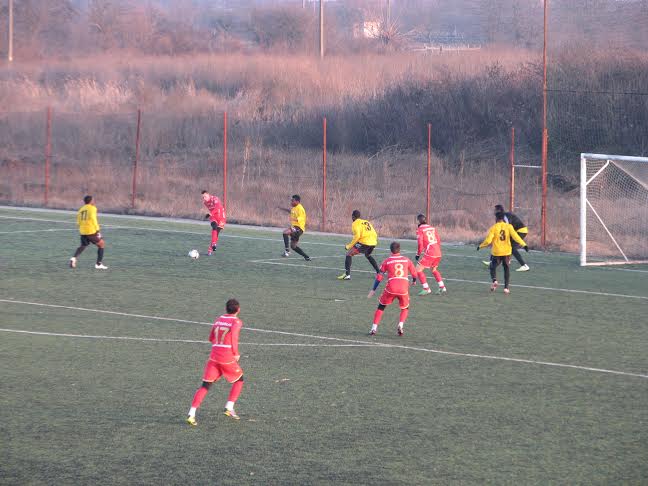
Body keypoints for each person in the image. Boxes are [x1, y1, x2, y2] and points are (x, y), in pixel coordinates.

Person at [187, 299, 245, 425]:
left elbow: (210, 338)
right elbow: (234, 337)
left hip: (214, 356)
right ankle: (229, 407)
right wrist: (236, 353)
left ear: (226, 308)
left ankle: (191, 414)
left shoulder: (219, 319)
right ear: (238, 310)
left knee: (205, 385)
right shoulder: (236, 321)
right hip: (226, 356)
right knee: (239, 380)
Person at [367, 241, 417, 336]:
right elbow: (414, 273)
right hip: (403, 288)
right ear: (399, 250)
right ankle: (400, 325)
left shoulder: (387, 261)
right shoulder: (407, 260)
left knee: (381, 307)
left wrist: (373, 289)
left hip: (391, 287)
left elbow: (379, 277)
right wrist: (414, 280)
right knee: (405, 308)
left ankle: (374, 328)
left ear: (390, 251)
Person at [477, 211, 528, 294]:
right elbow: (516, 237)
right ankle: (506, 288)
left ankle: (494, 280)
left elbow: (488, 240)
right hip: (507, 252)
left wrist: (480, 246)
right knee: (506, 269)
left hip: (497, 252)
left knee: (492, 267)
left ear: (496, 219)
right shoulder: (509, 227)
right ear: (503, 219)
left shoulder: (494, 227)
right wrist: (524, 245)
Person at [482, 204, 530, 271]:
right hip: (516, 231)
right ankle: (494, 261)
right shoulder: (499, 217)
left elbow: (507, 227)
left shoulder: (505, 216)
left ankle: (524, 265)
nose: (494, 211)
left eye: (495, 210)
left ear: (499, 210)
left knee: (512, 248)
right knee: (499, 242)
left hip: (521, 230)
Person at [337, 210, 380, 280]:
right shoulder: (366, 222)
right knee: (368, 255)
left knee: (349, 254)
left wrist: (349, 246)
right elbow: (374, 233)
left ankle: (347, 275)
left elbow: (357, 236)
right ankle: (379, 272)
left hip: (364, 242)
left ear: (353, 217)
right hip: (373, 242)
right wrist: (373, 241)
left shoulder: (355, 223)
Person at [69, 195, 108, 270]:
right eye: (93, 200)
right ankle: (98, 264)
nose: (94, 201)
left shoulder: (81, 209)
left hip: (83, 230)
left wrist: (81, 228)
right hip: (91, 231)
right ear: (91, 201)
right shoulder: (93, 208)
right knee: (102, 244)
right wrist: (97, 230)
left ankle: (74, 258)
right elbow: (94, 219)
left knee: (83, 245)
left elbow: (78, 221)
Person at [415, 214, 446, 295]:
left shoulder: (420, 230)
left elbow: (420, 244)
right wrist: (437, 250)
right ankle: (442, 287)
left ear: (418, 221)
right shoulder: (432, 228)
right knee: (434, 270)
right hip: (438, 252)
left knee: (418, 269)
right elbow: (438, 240)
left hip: (430, 253)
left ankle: (426, 288)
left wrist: (418, 254)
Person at [280, 195, 311, 261]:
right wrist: (282, 209)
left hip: (298, 228)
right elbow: (291, 212)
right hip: (295, 228)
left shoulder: (300, 209)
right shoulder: (294, 208)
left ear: (297, 201)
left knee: (285, 233)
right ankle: (306, 257)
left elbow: (300, 218)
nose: (291, 202)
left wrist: (293, 219)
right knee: (293, 246)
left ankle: (287, 251)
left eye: (292, 200)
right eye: (291, 200)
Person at [201, 190, 226, 256]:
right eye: (203, 197)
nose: (204, 198)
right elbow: (211, 209)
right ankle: (213, 244)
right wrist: (210, 214)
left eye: (205, 196)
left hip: (221, 216)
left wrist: (210, 213)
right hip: (213, 216)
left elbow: (217, 207)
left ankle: (210, 249)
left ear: (208, 195)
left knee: (217, 232)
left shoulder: (215, 198)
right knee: (214, 226)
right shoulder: (205, 202)